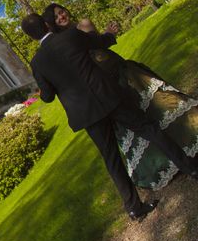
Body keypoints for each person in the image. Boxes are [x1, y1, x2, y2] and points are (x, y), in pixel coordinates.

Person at [20, 13, 198, 221]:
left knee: (111, 158)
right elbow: (98, 42)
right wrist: (109, 34)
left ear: (32, 37)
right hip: (108, 96)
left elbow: (48, 96)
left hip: (86, 114)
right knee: (149, 129)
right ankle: (191, 168)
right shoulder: (69, 37)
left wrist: (49, 86)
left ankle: (134, 207)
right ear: (46, 24)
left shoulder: (37, 63)